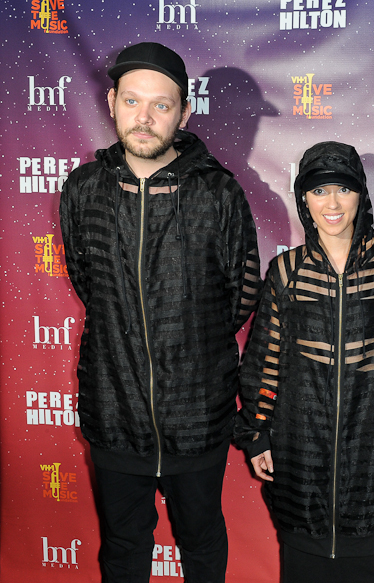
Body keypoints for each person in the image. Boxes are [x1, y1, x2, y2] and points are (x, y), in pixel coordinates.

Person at [59, 42, 261, 583]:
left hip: (198, 416)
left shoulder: (218, 193)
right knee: (123, 547)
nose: (144, 118)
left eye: (162, 105)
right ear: (112, 103)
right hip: (114, 412)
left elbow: (241, 294)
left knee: (200, 539)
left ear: (184, 113)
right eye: (132, 101)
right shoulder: (83, 190)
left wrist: (192, 353)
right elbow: (88, 281)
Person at [235, 141, 374, 583]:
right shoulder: (287, 270)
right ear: (304, 199)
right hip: (299, 462)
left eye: (343, 190)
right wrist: (257, 432)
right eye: (319, 190)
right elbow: (264, 360)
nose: (332, 203)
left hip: (373, 466)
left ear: (361, 195)